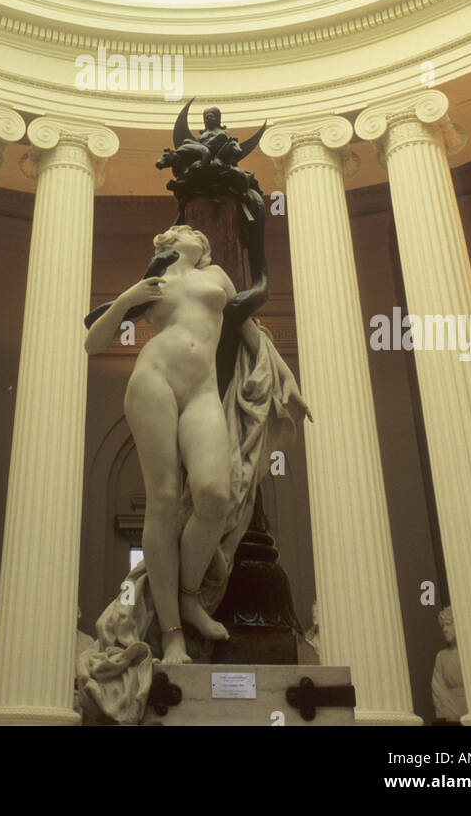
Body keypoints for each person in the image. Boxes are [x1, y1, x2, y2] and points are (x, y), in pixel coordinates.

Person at [85, 224, 310, 667]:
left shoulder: (218, 277)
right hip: (154, 381)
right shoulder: (154, 281)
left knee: (214, 494)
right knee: (163, 501)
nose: (193, 233)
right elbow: (94, 341)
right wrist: (129, 299)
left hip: (202, 391)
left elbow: (248, 327)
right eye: (185, 229)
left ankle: (190, 597)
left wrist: (286, 378)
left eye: (195, 231)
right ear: (167, 242)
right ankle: (172, 636)